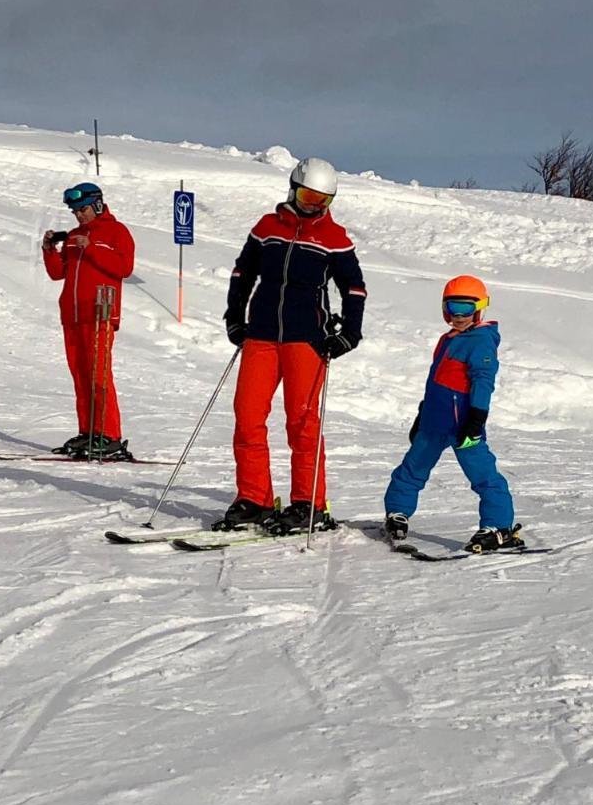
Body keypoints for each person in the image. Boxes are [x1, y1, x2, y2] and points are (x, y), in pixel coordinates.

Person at [219, 158, 367, 533]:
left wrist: (350, 332)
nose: (312, 205)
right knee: (248, 415)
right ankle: (255, 499)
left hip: (307, 340)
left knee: (302, 422)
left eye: (322, 200)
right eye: (307, 195)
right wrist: (235, 316)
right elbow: (243, 273)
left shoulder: (334, 238)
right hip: (262, 335)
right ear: (292, 189)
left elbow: (354, 288)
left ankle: (309, 503)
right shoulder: (266, 228)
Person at [383, 275, 518, 551]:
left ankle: (498, 526)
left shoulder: (481, 341)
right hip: (434, 422)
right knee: (412, 468)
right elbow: (435, 381)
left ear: (479, 308)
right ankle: (397, 512)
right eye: (453, 307)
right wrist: (422, 414)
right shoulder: (448, 339)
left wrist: (476, 420)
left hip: (463, 425)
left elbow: (483, 381)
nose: (458, 315)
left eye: (466, 308)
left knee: (483, 475)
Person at [42, 182, 136, 460]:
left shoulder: (116, 232)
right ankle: (89, 431)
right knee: (80, 374)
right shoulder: (73, 236)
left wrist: (93, 247)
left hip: (100, 313)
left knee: (98, 373)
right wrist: (49, 250)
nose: (78, 215)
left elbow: (124, 268)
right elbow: (58, 273)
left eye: (82, 209)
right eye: (74, 211)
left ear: (97, 205)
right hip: (72, 314)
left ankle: (109, 434)